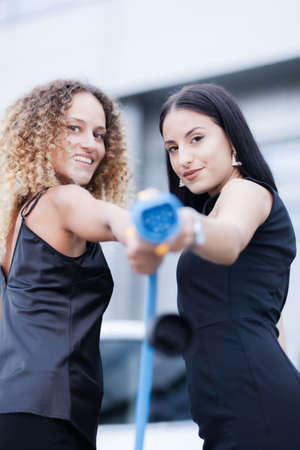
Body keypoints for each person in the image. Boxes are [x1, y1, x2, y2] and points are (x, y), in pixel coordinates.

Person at [128, 83, 300, 449]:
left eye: (196, 139)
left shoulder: (247, 192)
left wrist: (184, 225)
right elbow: (271, 320)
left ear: (232, 138)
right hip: (236, 409)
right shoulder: (211, 209)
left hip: (255, 407)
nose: (183, 158)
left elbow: (231, 238)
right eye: (172, 148)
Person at [0, 79, 160, 450]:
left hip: (16, 408)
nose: (91, 144)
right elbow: (107, 217)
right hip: (49, 411)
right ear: (39, 135)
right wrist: (138, 229)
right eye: (74, 128)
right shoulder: (63, 200)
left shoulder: (16, 221)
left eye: (100, 134)